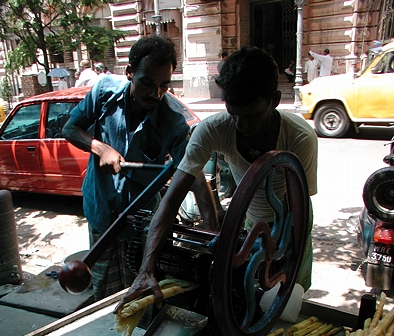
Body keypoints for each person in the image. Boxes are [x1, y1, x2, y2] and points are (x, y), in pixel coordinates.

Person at [115, 45, 318, 313]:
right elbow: (169, 203)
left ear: (275, 100)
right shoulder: (214, 129)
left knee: (288, 299)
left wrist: (277, 255)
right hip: (251, 219)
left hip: (293, 221)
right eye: (235, 115)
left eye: (252, 116)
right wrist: (146, 268)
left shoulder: (300, 138)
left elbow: (296, 213)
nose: (243, 127)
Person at [63, 35, 216, 301]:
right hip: (101, 214)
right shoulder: (103, 93)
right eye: (147, 83)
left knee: (141, 295)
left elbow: (194, 177)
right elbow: (69, 128)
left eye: (163, 86)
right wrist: (100, 148)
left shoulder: (173, 124)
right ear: (130, 73)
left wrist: (213, 231)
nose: (155, 93)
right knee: (103, 294)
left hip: (143, 229)